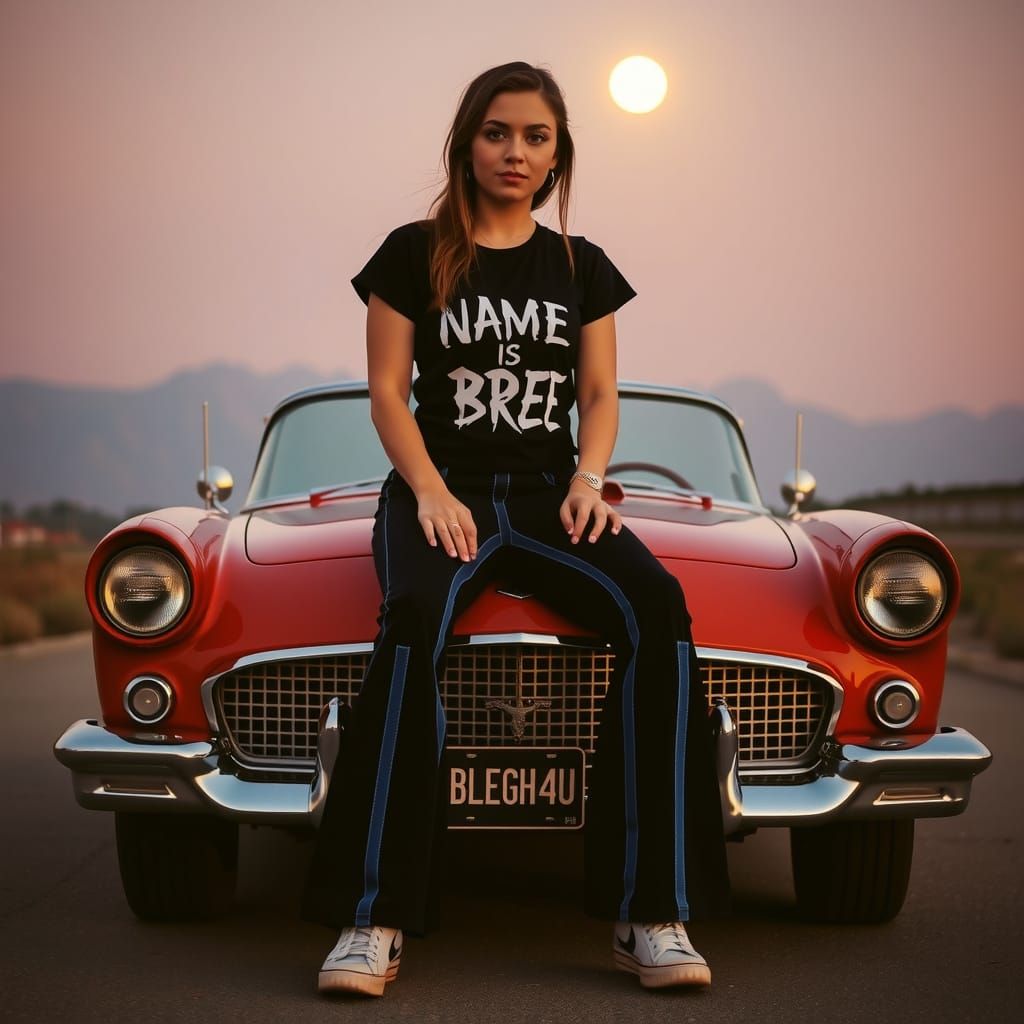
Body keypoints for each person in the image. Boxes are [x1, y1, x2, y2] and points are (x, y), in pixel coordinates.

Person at [301, 60, 730, 997]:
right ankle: (370, 918)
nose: (516, 152)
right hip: (441, 487)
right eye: (499, 132)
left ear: (557, 155)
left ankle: (650, 911)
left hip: (548, 495)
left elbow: (600, 392)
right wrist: (427, 492)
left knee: (659, 608)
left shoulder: (579, 266)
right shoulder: (412, 254)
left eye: (537, 138)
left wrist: (589, 476)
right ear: (467, 141)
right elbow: (386, 392)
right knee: (412, 618)